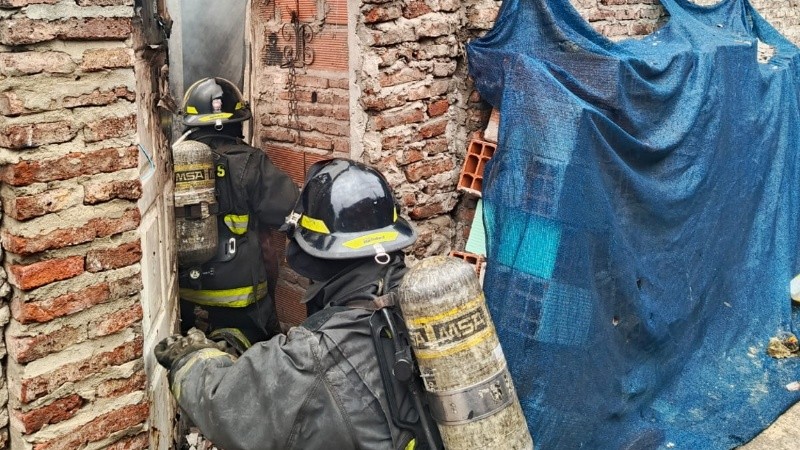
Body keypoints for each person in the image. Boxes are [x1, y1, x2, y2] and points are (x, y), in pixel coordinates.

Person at [155, 158, 441, 450]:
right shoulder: (429, 299)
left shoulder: (313, 356)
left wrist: (189, 359)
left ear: (314, 252)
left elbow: (225, 405)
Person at [175, 77, 299, 351]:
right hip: (242, 302)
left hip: (186, 298)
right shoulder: (251, 162)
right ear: (238, 122)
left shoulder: (173, 163)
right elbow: (289, 211)